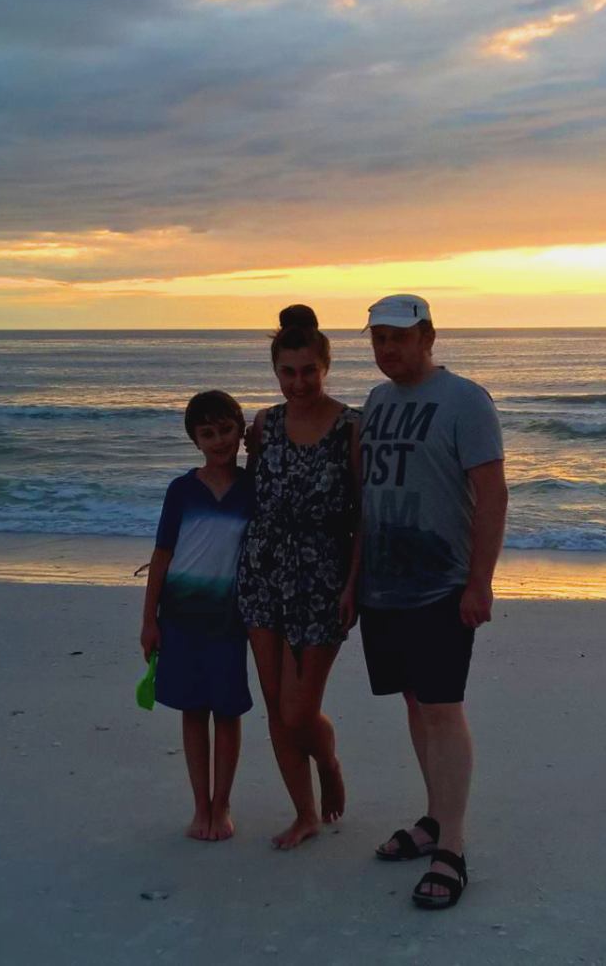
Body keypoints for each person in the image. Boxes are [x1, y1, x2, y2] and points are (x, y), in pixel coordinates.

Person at [355, 293, 507, 910]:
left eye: (399, 337)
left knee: (443, 708)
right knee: (415, 703)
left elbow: (492, 494)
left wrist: (479, 581)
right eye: (378, 339)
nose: (388, 348)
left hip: (441, 584)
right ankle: (434, 818)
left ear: (428, 337)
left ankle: (453, 848)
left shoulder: (465, 400)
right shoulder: (377, 402)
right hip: (383, 585)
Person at [236, 304, 360, 850]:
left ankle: (327, 760)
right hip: (262, 570)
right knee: (275, 706)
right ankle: (304, 813)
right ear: (275, 371)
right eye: (287, 372)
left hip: (322, 577)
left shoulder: (351, 427)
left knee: (299, 710)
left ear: (326, 367)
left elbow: (364, 514)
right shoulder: (264, 425)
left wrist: (354, 583)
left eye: (309, 371)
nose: (299, 382)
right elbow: (250, 494)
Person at [139, 390, 255, 842]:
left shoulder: (253, 487)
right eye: (208, 433)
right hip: (181, 617)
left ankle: (222, 805)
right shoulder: (181, 490)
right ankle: (200, 806)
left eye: (226, 429)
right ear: (195, 441)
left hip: (230, 620)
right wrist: (149, 620)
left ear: (240, 430)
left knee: (226, 711)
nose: (219, 440)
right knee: (192, 711)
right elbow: (162, 555)